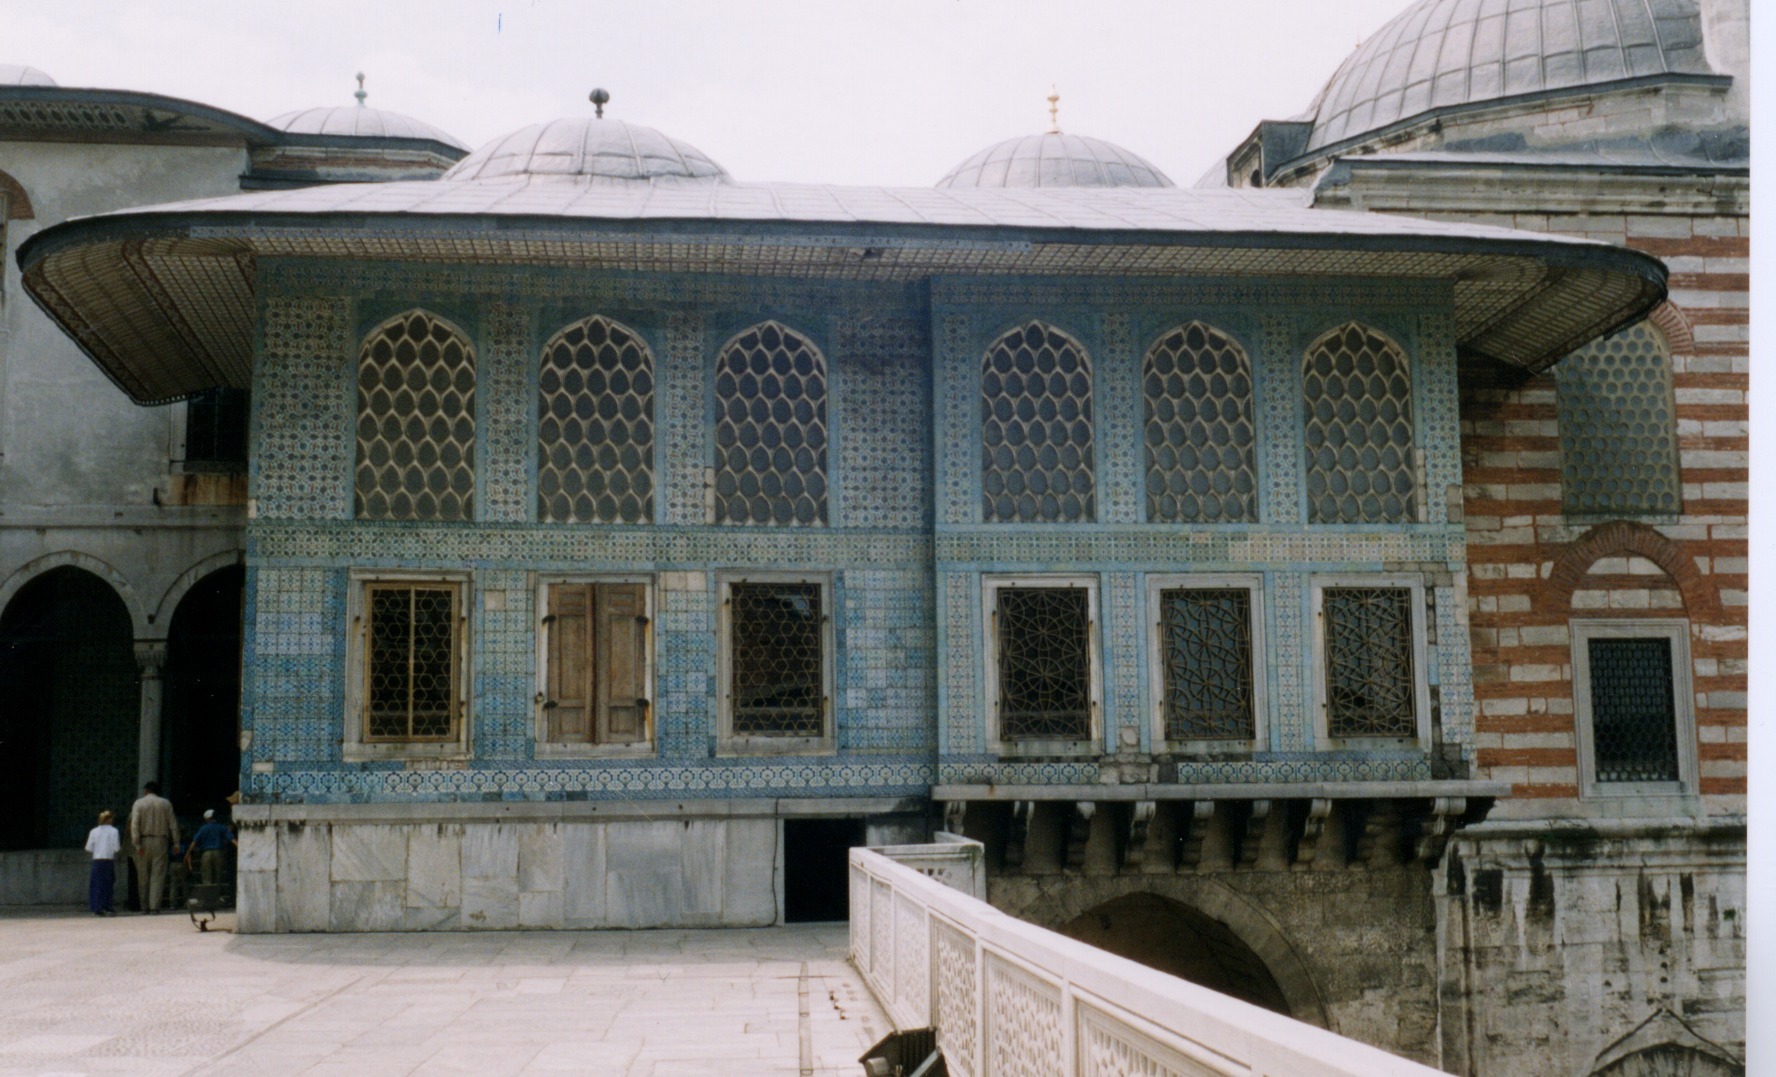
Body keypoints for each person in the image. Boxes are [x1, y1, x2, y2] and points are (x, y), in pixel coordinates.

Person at [127, 782, 179, 913]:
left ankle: (144, 906)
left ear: (146, 791)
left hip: (143, 840)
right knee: (158, 875)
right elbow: (173, 824)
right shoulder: (165, 803)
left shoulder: (139, 803)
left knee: (142, 876)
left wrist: (136, 844)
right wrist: (176, 842)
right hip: (161, 840)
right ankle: (154, 906)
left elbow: (135, 825)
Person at [184, 809, 236, 888]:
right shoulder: (221, 827)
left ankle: (208, 895)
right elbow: (232, 839)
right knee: (218, 876)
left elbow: (194, 841)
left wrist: (187, 854)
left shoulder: (203, 828)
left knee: (206, 876)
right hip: (218, 853)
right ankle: (217, 895)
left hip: (206, 854)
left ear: (207, 819)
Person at [84, 810, 120, 916]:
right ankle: (108, 906)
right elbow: (116, 848)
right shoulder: (114, 831)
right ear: (109, 820)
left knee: (96, 885)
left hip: (97, 860)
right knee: (108, 884)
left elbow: (88, 848)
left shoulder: (94, 831)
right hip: (108, 860)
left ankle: (96, 907)